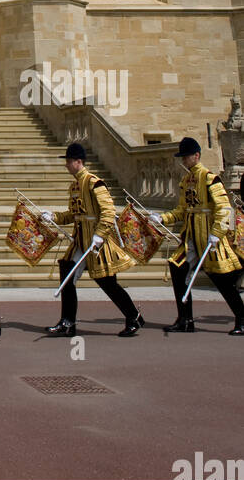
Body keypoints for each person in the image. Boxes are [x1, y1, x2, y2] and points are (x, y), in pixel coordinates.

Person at [42, 143, 143, 337]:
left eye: (69, 162)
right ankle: (68, 321)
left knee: (108, 283)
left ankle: (133, 316)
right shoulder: (75, 186)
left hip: (97, 243)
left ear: (78, 162)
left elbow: (108, 211)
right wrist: (54, 217)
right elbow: (74, 214)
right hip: (81, 240)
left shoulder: (94, 182)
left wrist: (100, 234)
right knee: (67, 275)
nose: (67, 166)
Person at [148, 136, 244, 335]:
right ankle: (185, 319)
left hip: (209, 237)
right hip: (191, 237)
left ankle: (242, 319)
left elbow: (224, 208)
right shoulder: (186, 181)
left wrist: (217, 233)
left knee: (223, 281)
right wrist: (163, 219)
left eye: (186, 157)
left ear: (196, 156)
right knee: (177, 269)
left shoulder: (210, 179)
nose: (183, 161)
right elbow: (182, 210)